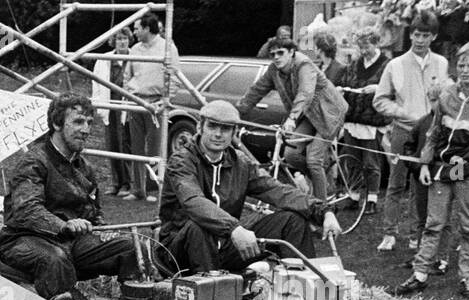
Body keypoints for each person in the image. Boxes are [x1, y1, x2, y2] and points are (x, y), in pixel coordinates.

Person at [158, 100, 341, 274]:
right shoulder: (181, 161)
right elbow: (193, 201)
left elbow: (276, 190)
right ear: (199, 127)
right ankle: (212, 298)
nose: (218, 134)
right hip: (180, 250)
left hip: (225, 245)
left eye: (226, 129)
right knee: (198, 226)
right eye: (212, 126)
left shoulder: (240, 162)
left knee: (292, 221)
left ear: (234, 132)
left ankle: (301, 292)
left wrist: (323, 210)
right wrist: (234, 229)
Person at [0, 93, 139, 300]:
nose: (86, 130)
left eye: (89, 123)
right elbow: (27, 211)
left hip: (70, 241)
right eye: (78, 122)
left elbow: (93, 212)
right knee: (55, 259)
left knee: (129, 247)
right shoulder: (33, 162)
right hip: (23, 239)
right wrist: (63, 225)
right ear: (57, 123)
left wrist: (105, 230)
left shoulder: (85, 168)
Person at [395, 42, 469, 300]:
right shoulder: (447, 94)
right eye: (462, 64)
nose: (465, 70)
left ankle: (467, 278)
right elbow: (434, 133)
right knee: (434, 223)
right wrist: (424, 163)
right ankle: (420, 274)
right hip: (444, 169)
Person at [373, 10, 451, 253]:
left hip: (430, 136)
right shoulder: (394, 64)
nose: (420, 40)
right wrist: (405, 113)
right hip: (402, 132)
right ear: (411, 35)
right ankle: (389, 233)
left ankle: (416, 235)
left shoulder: (442, 62)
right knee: (396, 183)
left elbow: (445, 97)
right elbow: (380, 100)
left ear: (433, 37)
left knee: (421, 185)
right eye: (416, 35)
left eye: (425, 35)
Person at [237, 37, 346, 202]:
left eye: (280, 53)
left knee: (313, 159)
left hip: (328, 114)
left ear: (292, 52)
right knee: (291, 154)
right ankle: (321, 181)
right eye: (272, 54)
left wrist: (292, 118)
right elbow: (256, 91)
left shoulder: (304, 64)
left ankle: (322, 210)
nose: (276, 57)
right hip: (308, 115)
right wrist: (235, 112)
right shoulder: (274, 70)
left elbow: (305, 93)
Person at [123, 12, 180, 201]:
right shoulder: (135, 49)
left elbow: (175, 77)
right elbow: (127, 75)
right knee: (136, 147)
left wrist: (165, 100)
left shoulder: (167, 48)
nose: (134, 32)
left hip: (157, 104)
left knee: (156, 148)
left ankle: (155, 188)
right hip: (136, 102)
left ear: (147, 28)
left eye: (137, 28)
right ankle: (138, 189)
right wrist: (128, 95)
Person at [339, 27, 390, 216]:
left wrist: (378, 88)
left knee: (371, 162)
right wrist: (342, 89)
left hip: (373, 120)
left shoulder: (387, 64)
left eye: (366, 46)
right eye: (360, 46)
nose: (363, 50)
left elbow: (393, 88)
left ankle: (372, 199)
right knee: (352, 159)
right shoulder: (355, 63)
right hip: (353, 118)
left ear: (376, 43)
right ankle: (353, 196)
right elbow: (346, 80)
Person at [92, 28, 134, 199]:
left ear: (129, 40)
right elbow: (96, 83)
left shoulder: (134, 58)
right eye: (118, 39)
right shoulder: (104, 60)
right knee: (112, 144)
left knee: (126, 144)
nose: (122, 42)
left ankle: (127, 183)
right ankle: (116, 183)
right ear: (114, 42)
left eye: (124, 38)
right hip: (109, 106)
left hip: (127, 107)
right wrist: (97, 104)